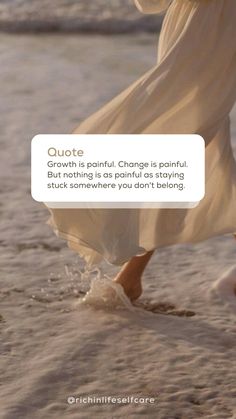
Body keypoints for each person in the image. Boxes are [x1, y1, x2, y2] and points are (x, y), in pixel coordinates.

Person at [46, 0, 236, 302]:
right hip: (198, 32)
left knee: (181, 140)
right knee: (193, 142)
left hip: (209, 33)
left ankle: (131, 277)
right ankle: (132, 276)